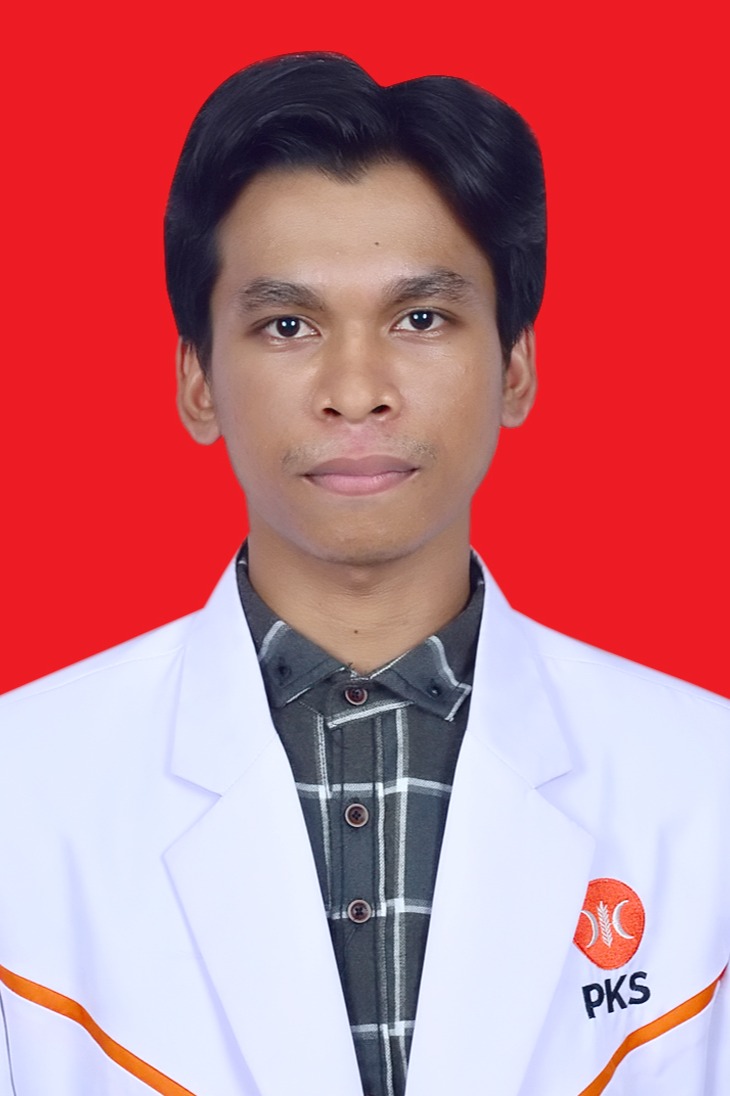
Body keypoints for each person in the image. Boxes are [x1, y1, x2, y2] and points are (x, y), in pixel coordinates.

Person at [0, 51, 728, 1096]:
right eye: (287, 325)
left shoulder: (703, 786)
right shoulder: (21, 791)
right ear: (197, 379)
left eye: (420, 318)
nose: (355, 389)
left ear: (514, 366)